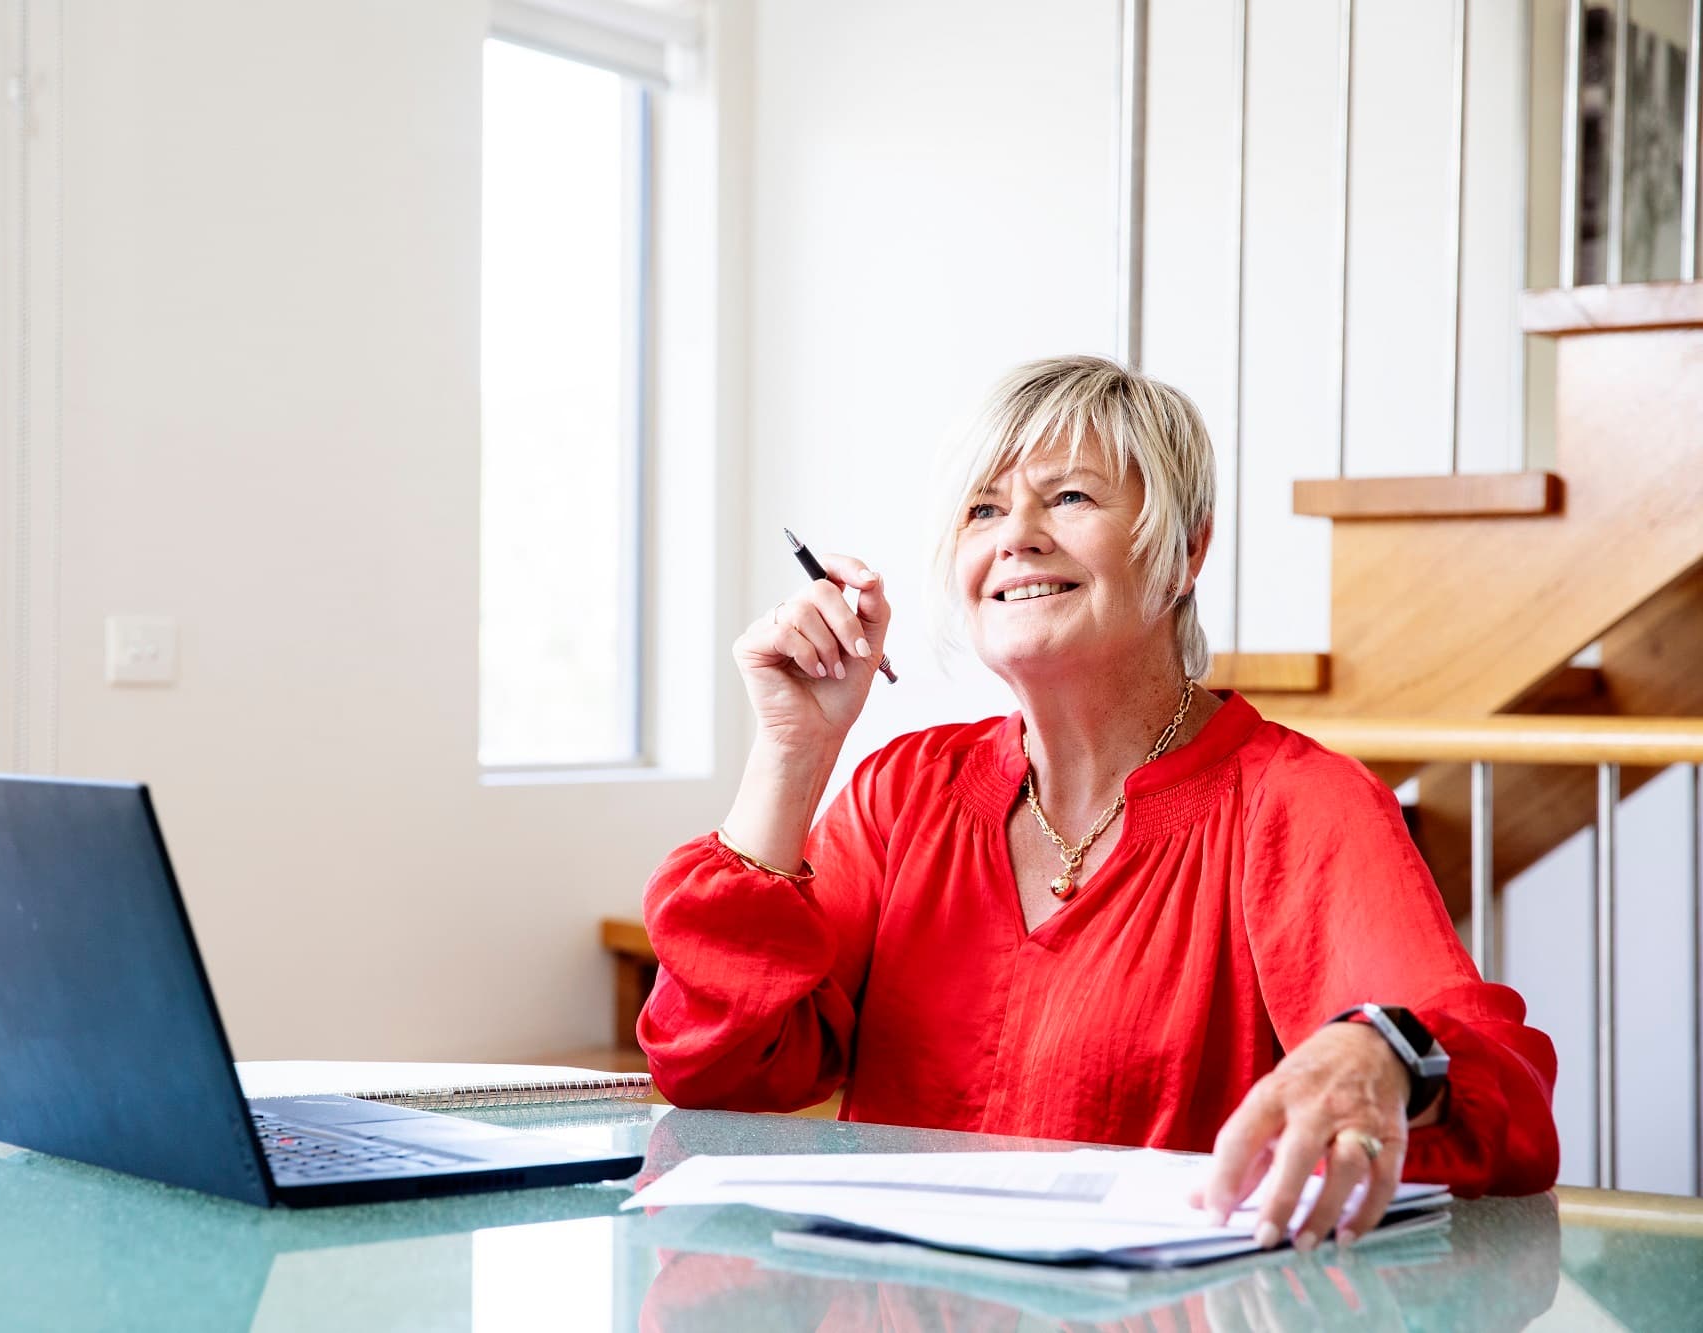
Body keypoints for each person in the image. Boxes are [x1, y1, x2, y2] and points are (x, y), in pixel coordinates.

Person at [637, 355, 1559, 1252]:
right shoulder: (903, 791)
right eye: (984, 509)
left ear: (1186, 549)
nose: (1017, 536)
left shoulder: (1300, 803)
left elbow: (1498, 1104)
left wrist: (1385, 1055)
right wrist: (793, 753)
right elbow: (716, 1069)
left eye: (1069, 497)